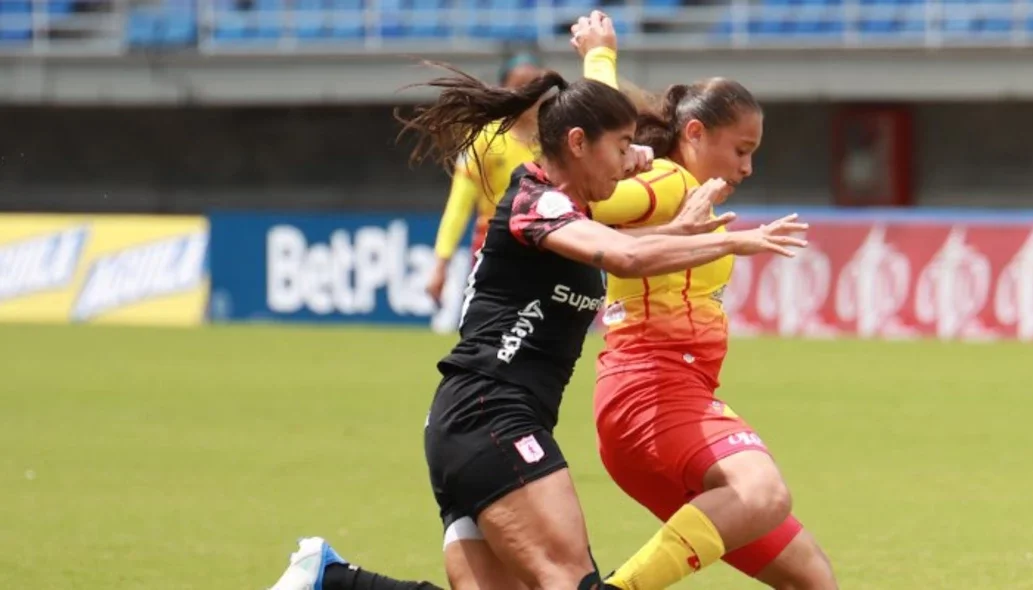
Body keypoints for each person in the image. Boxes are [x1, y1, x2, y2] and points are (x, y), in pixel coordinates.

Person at [265, 60, 810, 590]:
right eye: (620, 149)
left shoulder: (567, 216)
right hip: (493, 416)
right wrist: (731, 240)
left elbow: (621, 246)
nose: (627, 163)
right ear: (577, 144)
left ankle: (331, 578)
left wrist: (680, 229)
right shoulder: (535, 199)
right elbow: (623, 259)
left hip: (469, 424)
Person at [569, 12, 841, 590]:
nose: (747, 167)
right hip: (653, 394)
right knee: (762, 490)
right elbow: (587, 190)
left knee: (811, 577)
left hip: (663, 402)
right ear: (695, 135)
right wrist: (600, 59)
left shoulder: (683, 192)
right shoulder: (667, 184)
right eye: (740, 149)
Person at [423, 52, 545, 306]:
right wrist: (440, 264)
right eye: (519, 84)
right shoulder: (484, 139)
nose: (528, 93)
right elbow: (459, 204)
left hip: (547, 246)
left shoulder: (555, 140)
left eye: (535, 84)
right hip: (494, 248)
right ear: (504, 89)